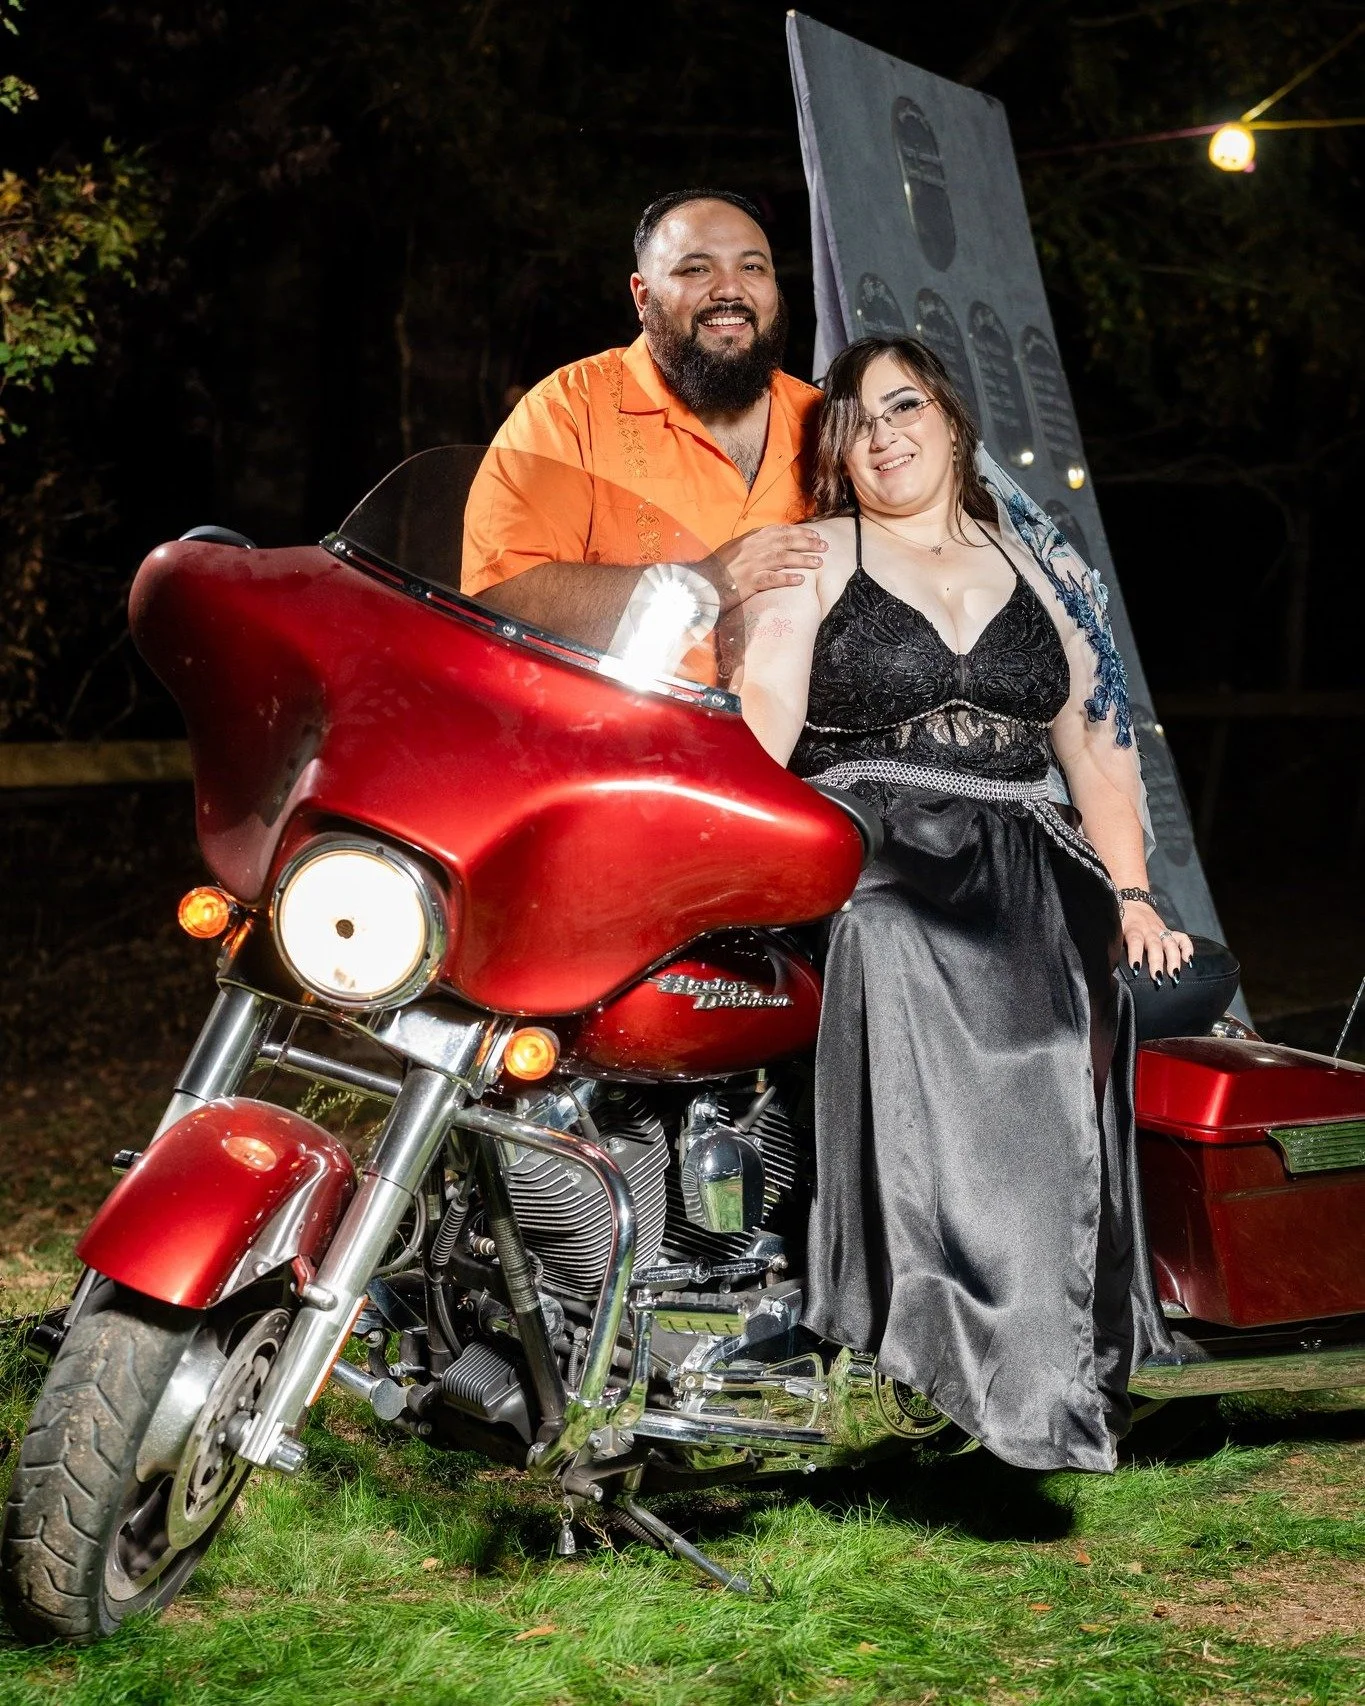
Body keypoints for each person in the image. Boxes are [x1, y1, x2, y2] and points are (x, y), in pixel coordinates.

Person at [739, 334, 1191, 1473]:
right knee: (885, 942)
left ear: (951, 419)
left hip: (1022, 844)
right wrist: (732, 866)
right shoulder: (814, 555)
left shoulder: (1041, 563)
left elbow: (1095, 747)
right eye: (856, 417)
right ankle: (916, 1346)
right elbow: (763, 720)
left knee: (1057, 1026)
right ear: (838, 448)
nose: (884, 432)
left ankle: (1040, 1378)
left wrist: (1133, 890)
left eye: (905, 406)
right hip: (868, 839)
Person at [460, 189, 827, 652]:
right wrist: (704, 582)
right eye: (696, 269)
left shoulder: (827, 420)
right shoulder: (568, 411)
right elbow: (498, 602)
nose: (730, 290)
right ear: (642, 295)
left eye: (752, 267)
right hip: (617, 722)